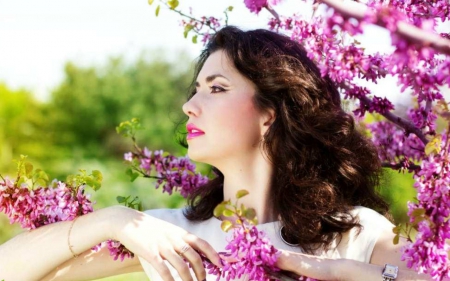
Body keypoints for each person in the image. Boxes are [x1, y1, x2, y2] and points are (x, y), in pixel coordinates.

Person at [0, 26, 437, 281]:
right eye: (196, 90)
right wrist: (113, 221)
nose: (190, 105)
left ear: (271, 113)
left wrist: (334, 271)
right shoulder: (176, 238)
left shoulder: (356, 232)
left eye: (217, 88)